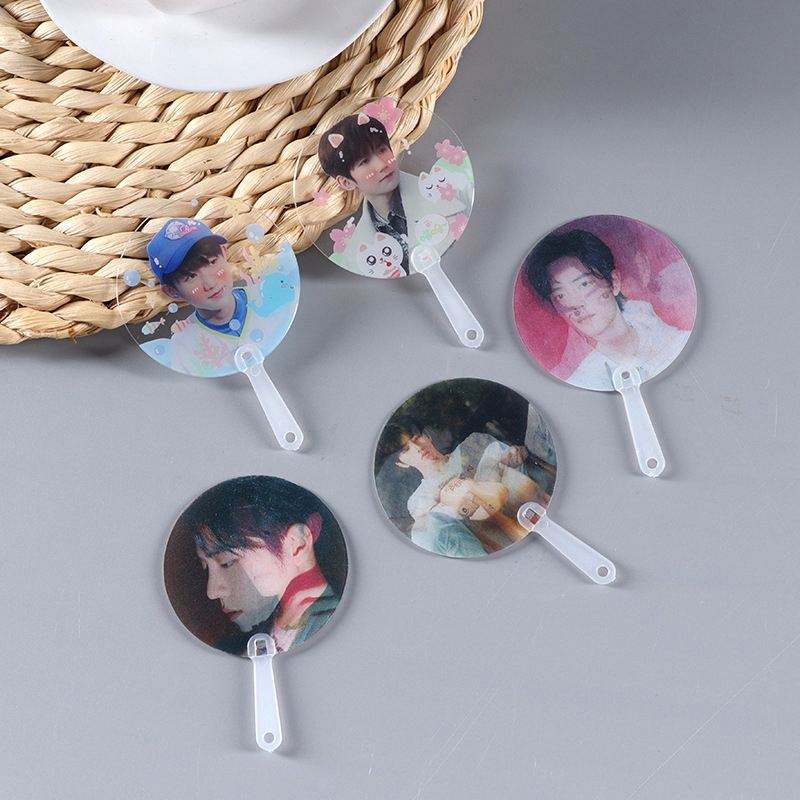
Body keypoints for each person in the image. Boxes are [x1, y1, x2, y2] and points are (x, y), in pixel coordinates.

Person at [183, 476, 343, 654]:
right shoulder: (265, 629)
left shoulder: (337, 631)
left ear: (298, 543)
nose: (212, 591)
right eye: (205, 566)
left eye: (227, 563)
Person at [523, 229, 690, 390]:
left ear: (614, 282)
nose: (575, 304)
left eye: (584, 284)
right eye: (561, 296)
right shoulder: (582, 380)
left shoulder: (673, 340)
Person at [317, 114, 466, 277]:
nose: (382, 165)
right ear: (346, 182)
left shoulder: (447, 189)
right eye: (364, 161)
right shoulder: (355, 253)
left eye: (382, 150)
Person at [144, 218, 297, 377]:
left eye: (212, 262)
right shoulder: (186, 345)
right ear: (172, 291)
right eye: (190, 277)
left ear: (224, 252)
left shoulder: (268, 296)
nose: (210, 284)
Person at [383, 421, 549, 557]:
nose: (417, 448)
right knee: (425, 531)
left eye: (417, 438)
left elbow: (520, 458)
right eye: (406, 450)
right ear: (402, 463)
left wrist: (514, 455)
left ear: (427, 437)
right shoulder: (419, 500)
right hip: (498, 542)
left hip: (532, 501)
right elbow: (441, 530)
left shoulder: (473, 445)